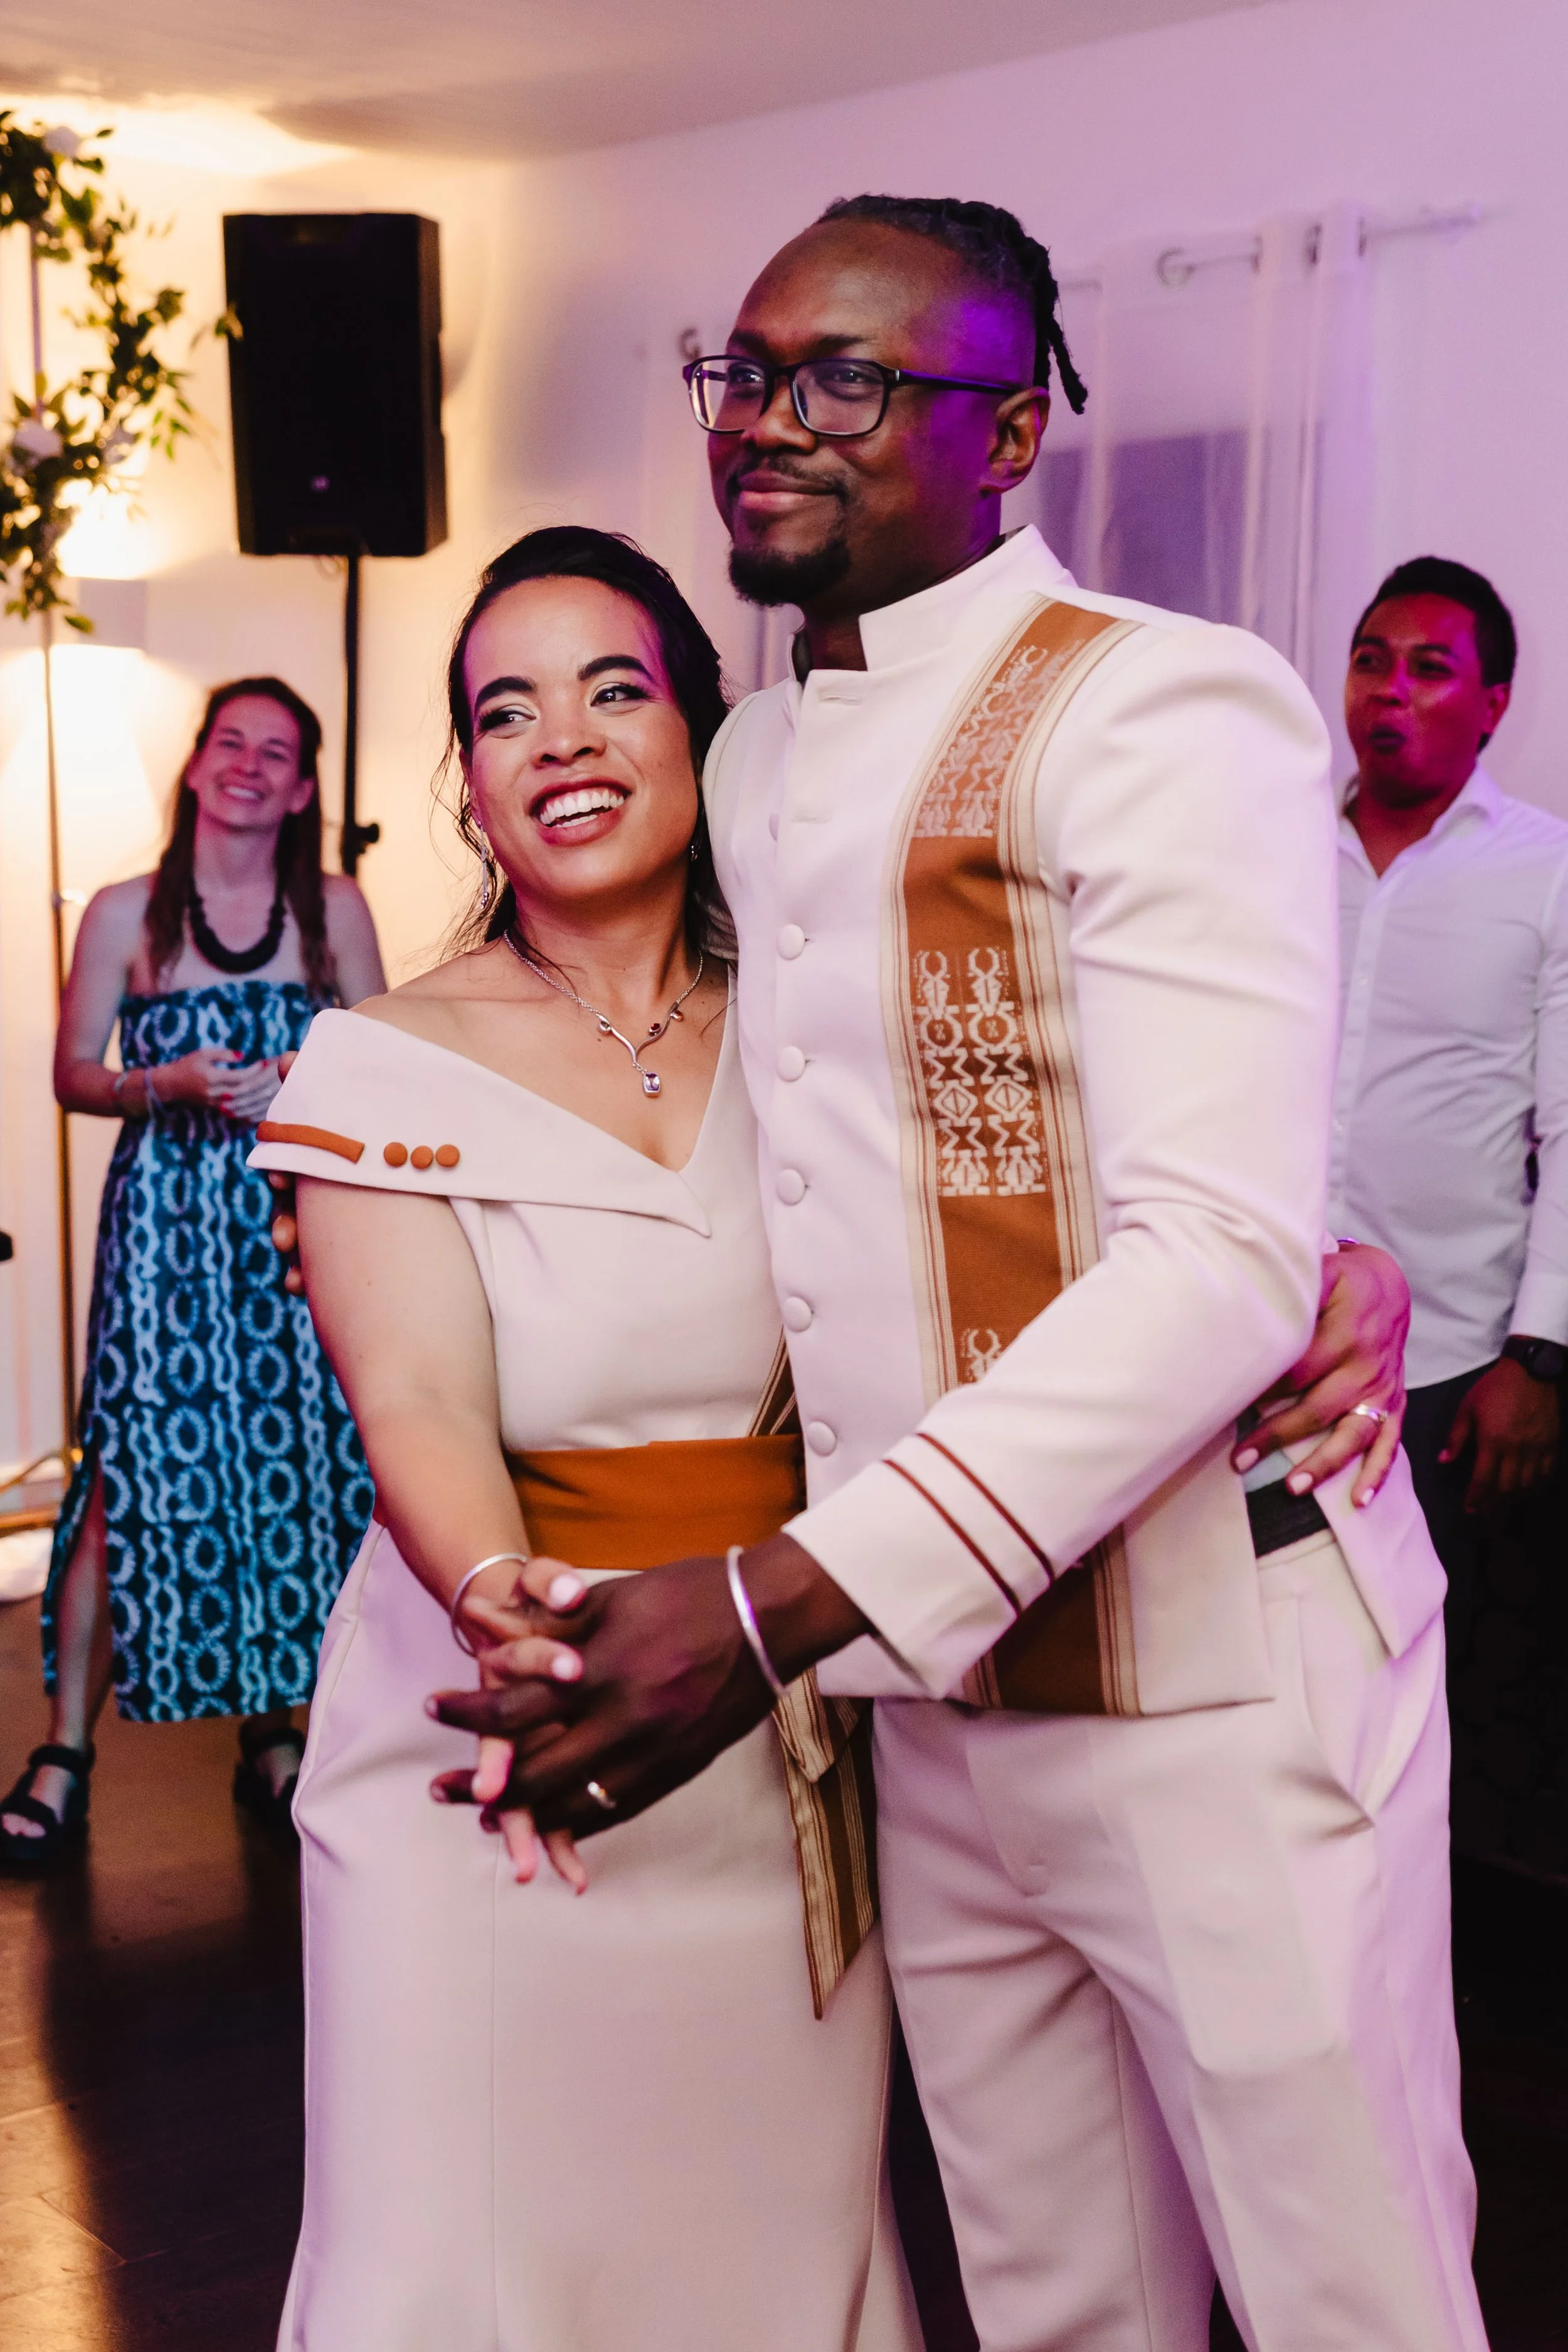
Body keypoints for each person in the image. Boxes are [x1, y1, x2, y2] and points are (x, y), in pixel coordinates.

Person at [442, 198, 1483, 2352]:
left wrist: (769, 1607)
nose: (767, 426)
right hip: (934, 1708)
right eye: (744, 374)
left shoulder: (1166, 705)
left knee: (1351, 2295)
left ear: (1009, 430)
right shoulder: (741, 761)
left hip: (1212, 1675)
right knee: (1053, 2301)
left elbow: (1208, 1245)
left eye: (846, 380)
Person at [250, 527, 920, 2352]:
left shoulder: (824, 1027)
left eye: (613, 687)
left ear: (705, 729)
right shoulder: (380, 1058)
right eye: (503, 711)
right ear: (467, 789)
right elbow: (420, 1403)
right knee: (463, 2252)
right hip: (490, 1730)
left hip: (780, 1704)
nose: (561, 737)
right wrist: (515, 1635)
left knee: (762, 2246)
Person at [0, 679, 384, 1872]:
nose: (251, 766)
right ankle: (64, 1750)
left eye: (278, 753)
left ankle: (273, 1733)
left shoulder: (334, 906)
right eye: (233, 744)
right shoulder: (123, 909)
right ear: (198, 764)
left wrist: (306, 1073)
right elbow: (71, 1071)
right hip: (164, 1232)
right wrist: (155, 1085)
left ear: (305, 786)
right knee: (133, 1468)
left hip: (290, 1224)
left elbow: (381, 1057)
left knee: (289, 1468)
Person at [1333, 558, 1568, 1624]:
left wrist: (1537, 1360)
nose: (1390, 689)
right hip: (1256, 1346)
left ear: (1494, 706)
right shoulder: (1275, 850)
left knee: (1463, 1713)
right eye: (1372, 661)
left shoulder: (1547, 872)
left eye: (1431, 668)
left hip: (1453, 1369)